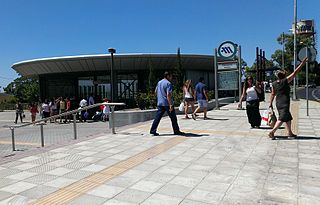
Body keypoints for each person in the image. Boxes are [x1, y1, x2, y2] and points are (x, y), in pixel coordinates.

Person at [268, 57, 308, 139]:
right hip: (285, 102)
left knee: (287, 117)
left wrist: (270, 104)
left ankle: (290, 132)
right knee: (282, 118)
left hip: (278, 102)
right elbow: (295, 72)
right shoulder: (285, 80)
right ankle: (272, 132)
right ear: (283, 75)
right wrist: (302, 64)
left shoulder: (274, 83)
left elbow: (272, 94)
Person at [150, 71, 184, 136]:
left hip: (160, 103)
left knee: (157, 118)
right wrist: (170, 104)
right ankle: (176, 131)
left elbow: (155, 91)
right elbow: (168, 95)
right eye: (171, 76)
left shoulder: (159, 82)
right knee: (173, 118)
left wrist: (160, 97)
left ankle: (153, 130)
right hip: (167, 103)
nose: (171, 77)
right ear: (168, 76)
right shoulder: (168, 83)